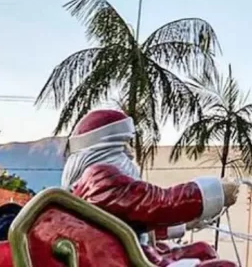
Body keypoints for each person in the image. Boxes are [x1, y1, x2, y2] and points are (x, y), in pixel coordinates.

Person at [61, 109, 239, 267]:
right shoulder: (99, 178)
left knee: (203, 250)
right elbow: (157, 203)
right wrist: (217, 192)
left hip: (129, 253)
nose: (130, 153)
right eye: (124, 145)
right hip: (123, 259)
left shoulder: (93, 182)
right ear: (105, 148)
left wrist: (186, 223)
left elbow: (132, 223)